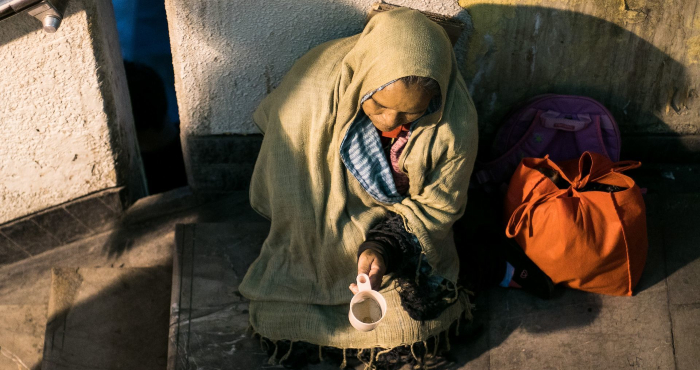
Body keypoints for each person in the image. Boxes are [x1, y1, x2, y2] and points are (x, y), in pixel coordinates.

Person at [240, 8, 478, 368]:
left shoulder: (454, 120)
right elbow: (288, 185)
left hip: (395, 229)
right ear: (363, 78)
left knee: (413, 325)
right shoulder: (312, 90)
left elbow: (438, 207)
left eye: (409, 115)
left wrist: (383, 246)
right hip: (313, 233)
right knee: (283, 314)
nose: (388, 122)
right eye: (378, 104)